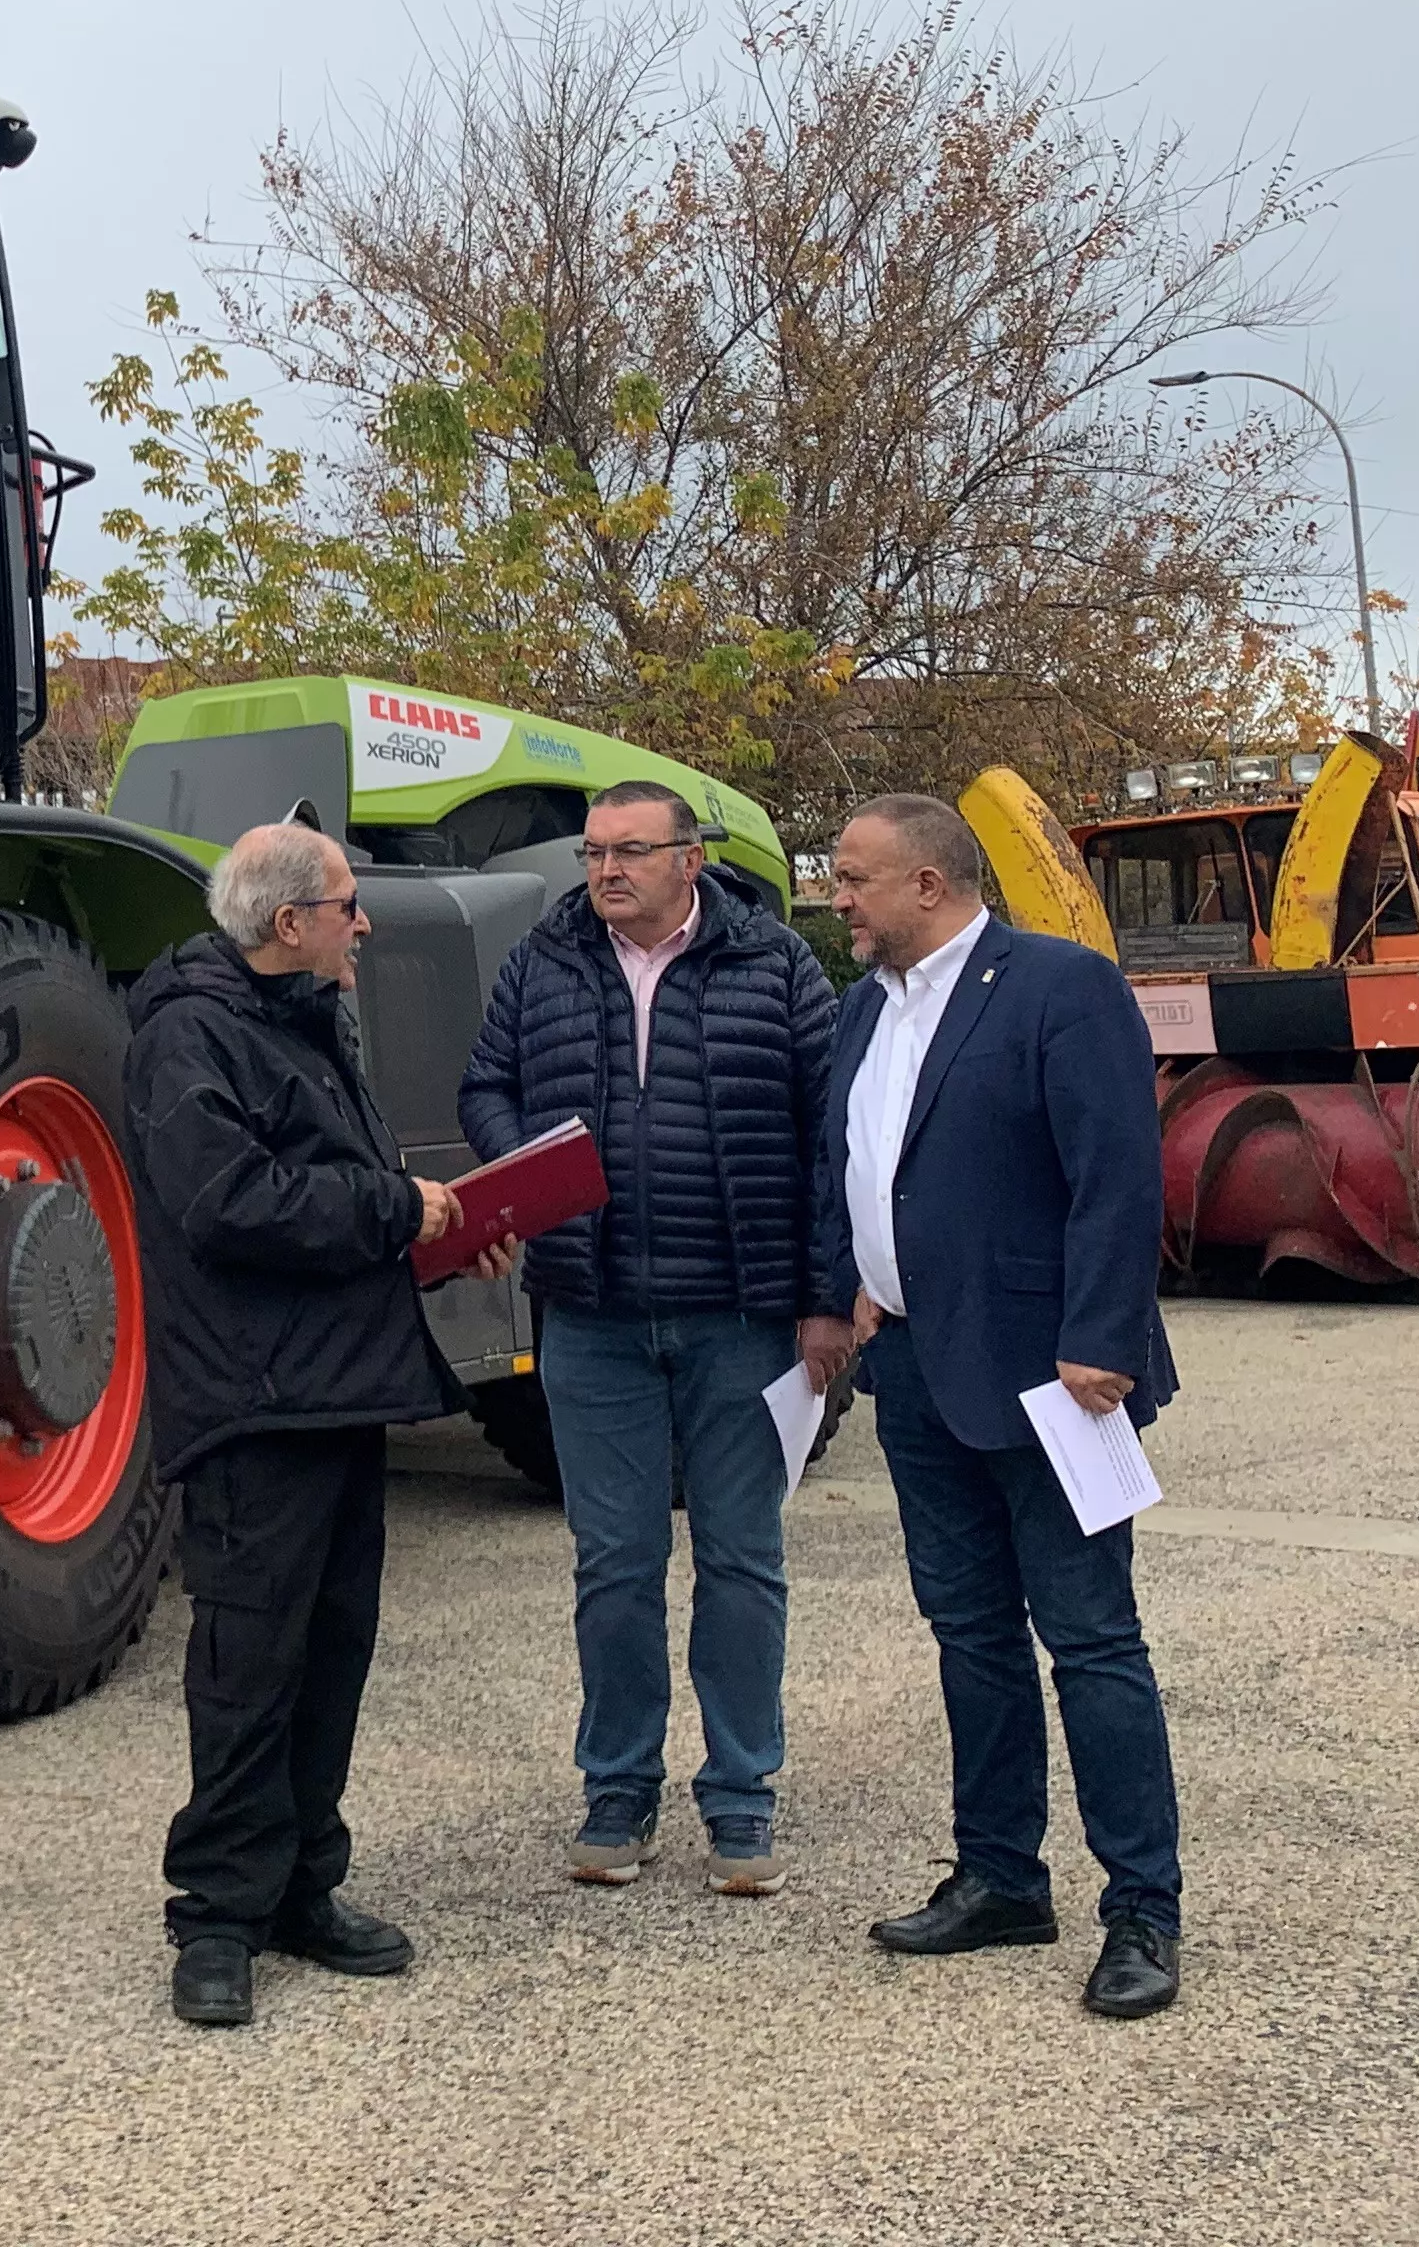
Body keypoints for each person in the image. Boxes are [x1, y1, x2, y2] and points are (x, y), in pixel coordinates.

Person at [804, 792, 1186, 2020]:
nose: (837, 897)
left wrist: (1100, 1341)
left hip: (1052, 1379)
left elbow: (1118, 1173)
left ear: (929, 883)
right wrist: (853, 1287)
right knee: (969, 1638)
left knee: (1090, 1644)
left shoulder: (1058, 986)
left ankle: (1143, 1909)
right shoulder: (867, 1008)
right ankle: (1002, 1878)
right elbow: (855, 1163)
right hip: (914, 1369)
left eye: (855, 877)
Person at [126, 820, 508, 2029]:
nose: (364, 923)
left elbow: (329, 1209)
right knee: (249, 1664)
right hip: (256, 1405)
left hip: (341, 1391)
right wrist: (399, 1205)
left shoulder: (305, 1019)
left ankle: (302, 1884)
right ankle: (217, 1919)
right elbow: (228, 1203)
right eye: (347, 904)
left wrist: (431, 1243)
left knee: (331, 1653)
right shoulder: (189, 1033)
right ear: (288, 924)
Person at [458, 779, 841, 1898]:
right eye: (591, 853)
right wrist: (528, 1166)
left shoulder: (775, 967)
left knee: (741, 1561)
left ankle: (742, 1801)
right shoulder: (543, 964)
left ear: (690, 858)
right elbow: (486, 1084)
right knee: (613, 1565)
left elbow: (833, 1140)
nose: (605, 872)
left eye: (629, 851)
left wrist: (824, 1299)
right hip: (593, 1315)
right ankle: (616, 1791)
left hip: (743, 1318)